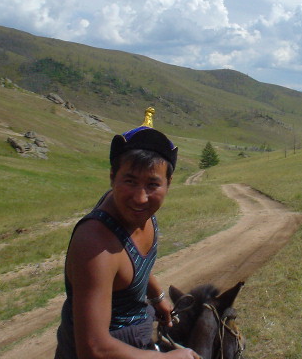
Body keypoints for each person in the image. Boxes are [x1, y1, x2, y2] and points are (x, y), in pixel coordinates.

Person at [55, 123, 200, 359]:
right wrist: (165, 358)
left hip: (136, 339)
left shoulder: (137, 212)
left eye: (152, 184)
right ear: (113, 178)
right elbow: (93, 348)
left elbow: (133, 266)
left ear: (168, 183)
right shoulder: (95, 245)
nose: (140, 198)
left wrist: (157, 297)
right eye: (130, 181)